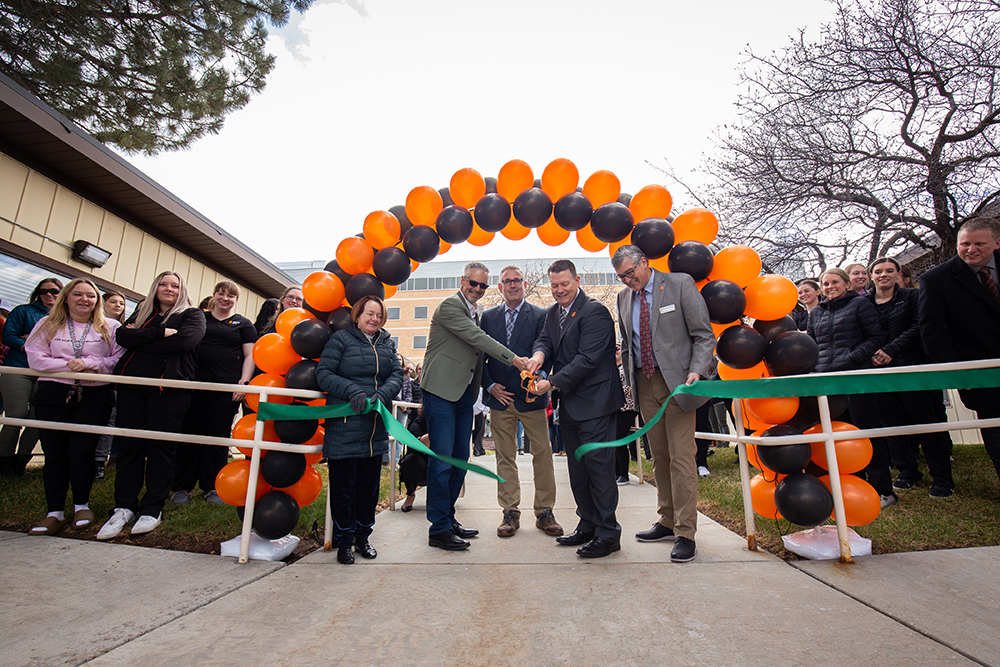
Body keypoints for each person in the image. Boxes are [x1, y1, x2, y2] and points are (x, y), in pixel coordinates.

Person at [611, 246, 715, 563]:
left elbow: (703, 335)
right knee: (659, 455)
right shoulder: (623, 298)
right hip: (644, 383)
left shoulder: (680, 284)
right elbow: (629, 345)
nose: (628, 280)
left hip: (680, 382)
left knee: (682, 456)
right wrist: (629, 382)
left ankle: (685, 532)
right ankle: (667, 519)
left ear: (645, 262)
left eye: (631, 272)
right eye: (621, 276)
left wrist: (697, 370)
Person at [420, 262, 530, 551]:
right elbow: (477, 339)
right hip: (441, 392)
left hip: (462, 395)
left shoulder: (475, 312)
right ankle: (439, 529)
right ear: (463, 280)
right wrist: (515, 359)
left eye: (483, 285)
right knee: (442, 461)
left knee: (459, 460)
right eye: (473, 283)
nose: (478, 289)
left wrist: (487, 385)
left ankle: (448, 518)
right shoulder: (450, 307)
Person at [97, 271, 206, 540]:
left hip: (168, 390)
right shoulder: (141, 313)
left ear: (182, 289)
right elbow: (123, 337)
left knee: (161, 448)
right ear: (155, 287)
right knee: (130, 446)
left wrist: (143, 338)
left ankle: (152, 507)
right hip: (132, 388)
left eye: (175, 285)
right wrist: (158, 333)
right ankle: (124, 507)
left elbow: (185, 341)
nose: (168, 289)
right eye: (163, 284)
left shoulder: (192, 315)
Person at [527, 259, 624, 559]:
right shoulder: (553, 313)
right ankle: (588, 524)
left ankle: (608, 534)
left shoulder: (595, 311)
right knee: (578, 469)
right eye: (554, 285)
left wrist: (551, 383)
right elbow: (546, 341)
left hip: (595, 403)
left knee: (599, 468)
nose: (559, 290)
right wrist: (539, 357)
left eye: (564, 284)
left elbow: (587, 359)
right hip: (570, 405)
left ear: (577, 280)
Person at [24, 279, 125, 535]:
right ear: (66, 298)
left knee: (82, 451)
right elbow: (35, 356)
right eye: (77, 294)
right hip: (53, 393)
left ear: (97, 300)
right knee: (55, 452)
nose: (84, 300)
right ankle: (54, 512)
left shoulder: (110, 326)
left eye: (90, 295)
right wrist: (68, 365)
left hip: (94, 396)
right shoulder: (47, 323)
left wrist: (90, 364)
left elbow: (118, 359)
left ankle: (82, 505)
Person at [316, 295, 403, 564]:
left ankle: (363, 538)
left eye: (379, 315)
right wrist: (352, 390)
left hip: (374, 429)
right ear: (358, 315)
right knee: (344, 488)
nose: (374, 319)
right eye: (369, 313)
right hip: (344, 426)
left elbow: (397, 374)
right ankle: (344, 542)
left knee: (368, 489)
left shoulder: (387, 343)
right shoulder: (341, 339)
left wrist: (383, 394)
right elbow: (324, 373)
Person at [480, 265, 562, 538]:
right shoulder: (488, 317)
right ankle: (510, 512)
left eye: (517, 281)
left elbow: (546, 349)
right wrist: (490, 386)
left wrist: (539, 378)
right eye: (506, 282)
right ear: (500, 287)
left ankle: (545, 512)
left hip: (532, 398)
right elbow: (481, 356)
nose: (512, 285)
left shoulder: (541, 314)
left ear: (524, 284)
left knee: (543, 454)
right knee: (505, 457)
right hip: (500, 400)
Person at [918, 217, 1000, 484]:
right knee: (997, 434)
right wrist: (958, 375)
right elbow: (932, 331)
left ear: (996, 243)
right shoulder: (936, 280)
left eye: (979, 244)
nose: (971, 250)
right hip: (979, 374)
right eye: (965, 244)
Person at [866, 257, 954, 496]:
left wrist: (890, 351)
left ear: (898, 274)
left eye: (889, 271)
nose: (884, 275)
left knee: (925, 421)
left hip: (910, 367)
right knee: (891, 424)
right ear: (871, 276)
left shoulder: (913, 297)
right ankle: (907, 470)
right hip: (878, 372)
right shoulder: (862, 302)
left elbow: (918, 326)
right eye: (878, 271)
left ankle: (942, 477)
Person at [807, 268, 890, 505]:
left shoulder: (861, 304)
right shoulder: (816, 313)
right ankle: (849, 485)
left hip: (856, 376)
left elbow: (875, 337)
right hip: (827, 381)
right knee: (840, 434)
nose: (830, 287)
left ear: (846, 284)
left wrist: (852, 358)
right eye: (825, 284)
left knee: (866, 431)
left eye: (835, 282)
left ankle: (882, 489)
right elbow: (812, 345)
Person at [171, 281, 257, 505]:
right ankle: (182, 487)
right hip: (193, 385)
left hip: (225, 389)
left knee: (217, 437)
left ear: (236, 300)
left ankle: (213, 487)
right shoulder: (198, 318)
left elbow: (250, 355)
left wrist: (243, 383)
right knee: (189, 434)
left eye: (231, 295)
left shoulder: (243, 324)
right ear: (214, 296)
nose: (225, 298)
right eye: (221, 293)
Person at [1, 277, 63, 476]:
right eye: (44, 291)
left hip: (46, 373)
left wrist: (32, 340)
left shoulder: (64, 318)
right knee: (16, 416)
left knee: (38, 419)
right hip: (19, 369)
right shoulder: (23, 311)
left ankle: (20, 465)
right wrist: (35, 347)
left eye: (54, 291)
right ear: (38, 293)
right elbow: (8, 337)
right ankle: (3, 465)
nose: (49, 295)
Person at [94, 291, 128, 480]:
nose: (117, 305)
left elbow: (118, 357)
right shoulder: (89, 325)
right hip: (82, 380)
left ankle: (100, 462)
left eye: (121, 303)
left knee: (109, 422)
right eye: (113, 301)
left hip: (111, 381)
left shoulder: (122, 329)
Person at [398, 405, 429, 512]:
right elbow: (418, 446)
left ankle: (439, 499)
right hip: (421, 469)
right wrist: (436, 430)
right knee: (412, 460)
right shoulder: (418, 423)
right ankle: (410, 494)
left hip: (439, 463)